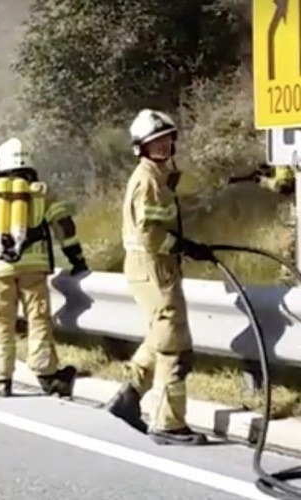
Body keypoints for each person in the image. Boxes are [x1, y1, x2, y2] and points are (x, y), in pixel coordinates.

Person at [105, 109, 213, 446]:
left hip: (152, 267)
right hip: (154, 267)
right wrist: (183, 246)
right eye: (155, 142)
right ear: (141, 147)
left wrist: (184, 247)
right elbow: (151, 235)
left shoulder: (156, 175)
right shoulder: (149, 180)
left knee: (161, 334)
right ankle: (168, 423)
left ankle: (130, 393)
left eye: (167, 139)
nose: (163, 146)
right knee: (175, 347)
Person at [0, 137, 88, 398]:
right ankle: (46, 376)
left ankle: (0, 380)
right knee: (38, 320)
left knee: (0, 322)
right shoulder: (42, 192)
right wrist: (76, 257)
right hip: (33, 268)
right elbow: (64, 226)